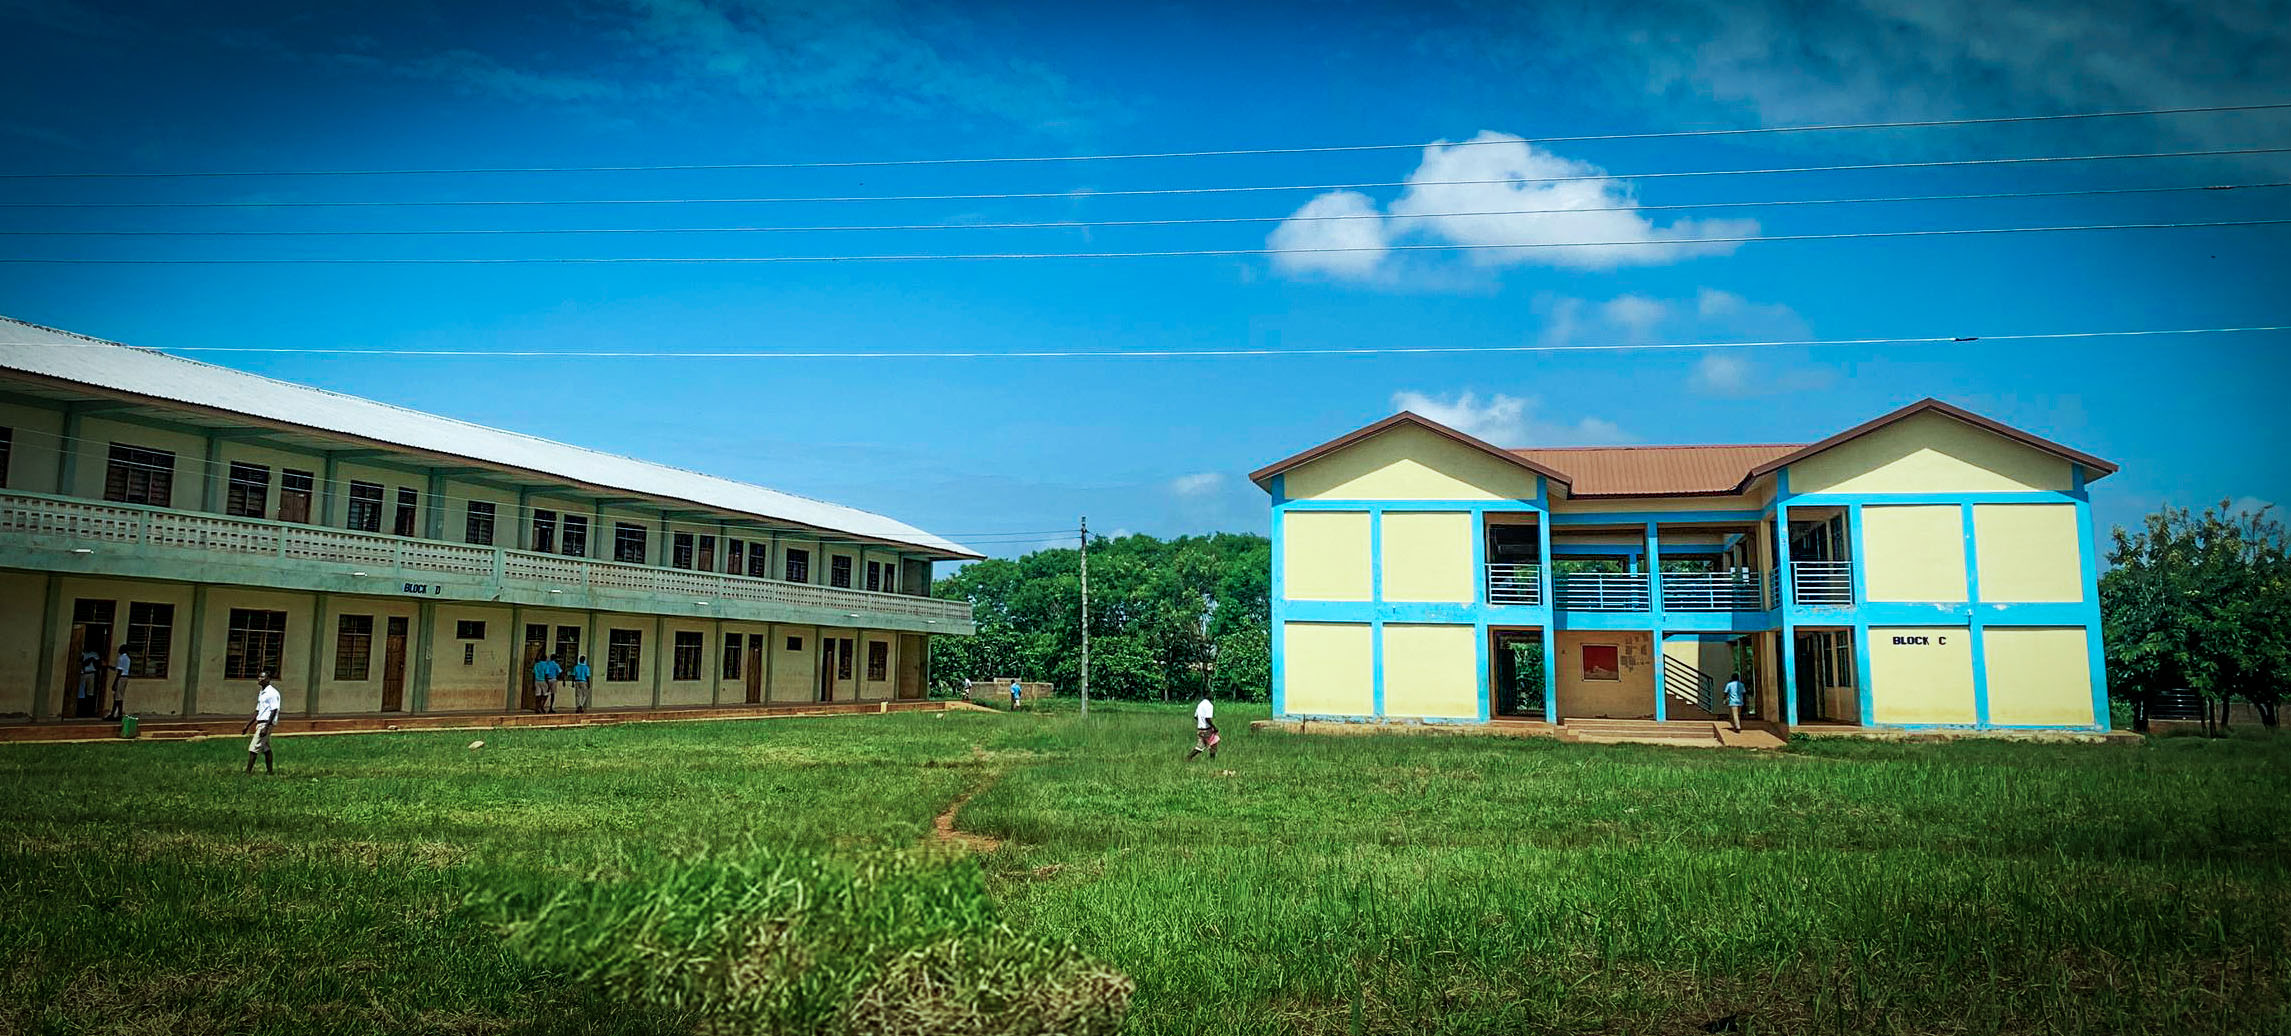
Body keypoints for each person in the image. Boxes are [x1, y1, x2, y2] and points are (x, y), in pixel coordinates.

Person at [242, 672, 281, 774]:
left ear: (268, 679)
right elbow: (258, 711)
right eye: (259, 677)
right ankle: (270, 771)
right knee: (265, 748)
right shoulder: (262, 692)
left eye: (262, 677)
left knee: (253, 748)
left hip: (266, 723)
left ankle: (247, 772)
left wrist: (266, 727)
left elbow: (274, 710)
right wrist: (247, 725)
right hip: (260, 722)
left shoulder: (272, 693)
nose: (259, 679)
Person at [1187, 696, 1219, 761]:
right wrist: (1214, 727)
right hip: (1206, 729)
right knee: (1214, 743)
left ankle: (1189, 757)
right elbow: (1207, 718)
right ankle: (1212, 761)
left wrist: (1201, 722)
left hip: (1200, 729)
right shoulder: (1209, 705)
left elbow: (1196, 716)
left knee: (1200, 746)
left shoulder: (1200, 704)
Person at [105, 647, 131, 721]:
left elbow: (119, 671)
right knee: (119, 697)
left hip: (121, 678)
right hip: (125, 678)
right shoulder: (128, 658)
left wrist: (115, 682)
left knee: (118, 697)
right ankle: (115, 714)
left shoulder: (121, 658)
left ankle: (118, 714)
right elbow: (118, 668)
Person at [76, 649, 98, 718]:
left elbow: (97, 664)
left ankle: (88, 710)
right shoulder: (82, 653)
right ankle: (80, 710)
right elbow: (83, 663)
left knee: (90, 693)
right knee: (81, 693)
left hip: (91, 673)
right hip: (83, 673)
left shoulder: (94, 653)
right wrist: (89, 660)